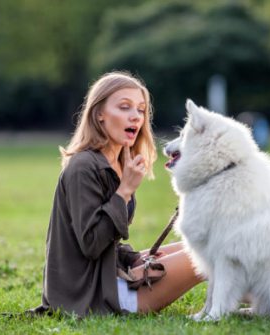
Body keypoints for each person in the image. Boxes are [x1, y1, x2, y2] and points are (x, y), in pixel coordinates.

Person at [33, 71, 202, 317]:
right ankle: (262, 303)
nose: (135, 116)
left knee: (194, 247)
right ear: (99, 113)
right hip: (92, 298)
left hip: (106, 277)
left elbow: (106, 243)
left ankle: (255, 300)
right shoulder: (83, 166)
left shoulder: (117, 160)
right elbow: (90, 244)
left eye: (141, 109)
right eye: (125, 107)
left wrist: (132, 259)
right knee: (204, 257)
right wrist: (124, 191)